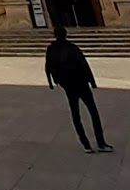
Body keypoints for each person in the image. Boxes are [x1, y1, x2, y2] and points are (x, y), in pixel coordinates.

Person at [45, 24, 113, 153]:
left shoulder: (51, 49)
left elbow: (47, 67)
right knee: (93, 112)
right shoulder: (72, 48)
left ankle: (86, 144)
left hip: (67, 84)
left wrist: (51, 82)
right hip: (80, 83)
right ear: (65, 34)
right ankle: (101, 142)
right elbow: (84, 64)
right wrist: (92, 82)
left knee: (75, 114)